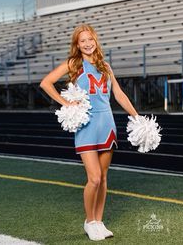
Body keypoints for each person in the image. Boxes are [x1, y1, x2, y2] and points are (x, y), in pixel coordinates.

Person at [40, 24, 138, 241]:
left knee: (103, 178)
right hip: (86, 126)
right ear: (77, 44)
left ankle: (99, 222)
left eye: (90, 39)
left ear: (95, 40)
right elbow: (46, 83)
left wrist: (136, 115)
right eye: (82, 41)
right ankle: (89, 221)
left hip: (107, 125)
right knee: (93, 178)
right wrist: (66, 103)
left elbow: (119, 94)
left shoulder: (105, 66)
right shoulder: (74, 63)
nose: (87, 44)